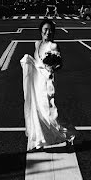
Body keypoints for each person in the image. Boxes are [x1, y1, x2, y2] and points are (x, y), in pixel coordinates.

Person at [20, 19, 76, 151]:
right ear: (41, 31)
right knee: (37, 110)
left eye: (50, 30)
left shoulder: (54, 46)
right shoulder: (37, 44)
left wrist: (52, 68)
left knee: (51, 112)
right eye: (45, 29)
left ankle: (70, 134)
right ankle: (39, 140)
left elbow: (60, 64)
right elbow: (37, 62)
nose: (48, 32)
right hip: (36, 82)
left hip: (48, 82)